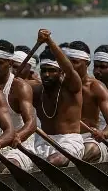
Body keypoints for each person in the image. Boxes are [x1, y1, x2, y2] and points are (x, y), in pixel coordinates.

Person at [32, 29, 85, 166]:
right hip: (42, 141)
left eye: (52, 71)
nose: (47, 75)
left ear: (61, 72)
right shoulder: (36, 90)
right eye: (43, 71)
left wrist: (49, 41)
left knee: (53, 161)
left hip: (69, 142)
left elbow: (70, 69)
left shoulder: (72, 87)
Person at [63, 40, 108, 163]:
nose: (70, 66)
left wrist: (103, 134)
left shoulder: (96, 87)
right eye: (68, 62)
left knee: (91, 149)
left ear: (87, 63)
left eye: (75, 62)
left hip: (89, 139)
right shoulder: (58, 85)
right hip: (65, 139)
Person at [0, 40, 38, 171]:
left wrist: (19, 135)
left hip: (19, 145)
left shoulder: (20, 87)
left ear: (10, 63)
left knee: (4, 168)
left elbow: (31, 124)